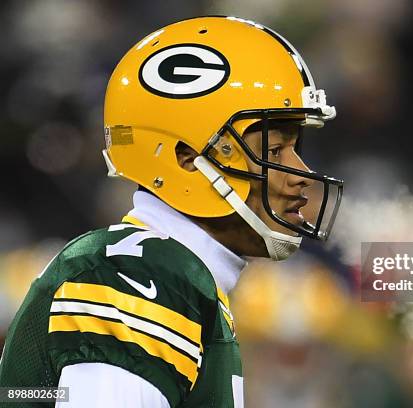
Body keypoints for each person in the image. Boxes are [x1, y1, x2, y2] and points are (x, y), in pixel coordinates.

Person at [0, 16, 343, 407]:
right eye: (273, 151)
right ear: (187, 160)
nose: (301, 174)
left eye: (295, 149)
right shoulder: (139, 276)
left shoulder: (179, 275)